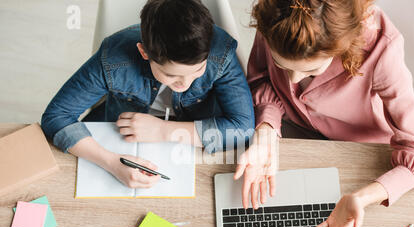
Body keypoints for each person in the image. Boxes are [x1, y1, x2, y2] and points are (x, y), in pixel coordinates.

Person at [234, 0, 414, 227]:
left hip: (360, 150)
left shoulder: (381, 47)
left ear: (344, 46)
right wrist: (265, 132)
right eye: (283, 65)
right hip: (294, 134)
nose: (293, 80)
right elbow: (262, 79)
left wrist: (363, 197)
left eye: (310, 69)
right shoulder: (277, 22)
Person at [41, 0, 254, 189]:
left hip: (194, 136)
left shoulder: (220, 51)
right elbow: (56, 116)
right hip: (121, 133)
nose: (186, 84)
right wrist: (112, 163)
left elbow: (243, 127)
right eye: (171, 75)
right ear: (144, 52)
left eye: (198, 71)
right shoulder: (114, 58)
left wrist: (163, 131)